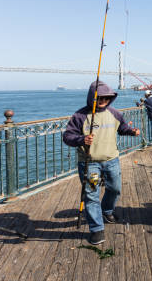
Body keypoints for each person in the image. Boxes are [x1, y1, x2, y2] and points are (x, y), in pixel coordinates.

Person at [63, 81, 140, 245]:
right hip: (90, 164)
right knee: (91, 196)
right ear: (92, 97)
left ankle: (106, 210)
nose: (103, 100)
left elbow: (122, 128)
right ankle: (97, 229)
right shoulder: (80, 116)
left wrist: (131, 131)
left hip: (111, 160)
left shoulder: (115, 114)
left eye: (107, 97)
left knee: (115, 189)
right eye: (100, 97)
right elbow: (67, 137)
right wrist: (82, 139)